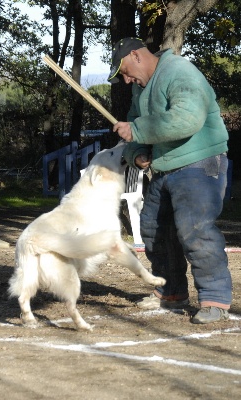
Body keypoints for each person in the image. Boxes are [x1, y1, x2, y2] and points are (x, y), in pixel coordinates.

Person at [108, 37, 232, 324]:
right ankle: (172, 292)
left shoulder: (179, 72)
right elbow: (134, 130)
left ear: (137, 56)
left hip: (199, 162)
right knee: (154, 230)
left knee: (195, 229)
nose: (126, 81)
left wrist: (138, 130)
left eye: (125, 71)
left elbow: (188, 118)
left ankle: (214, 298)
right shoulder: (141, 90)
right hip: (166, 169)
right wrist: (138, 153)